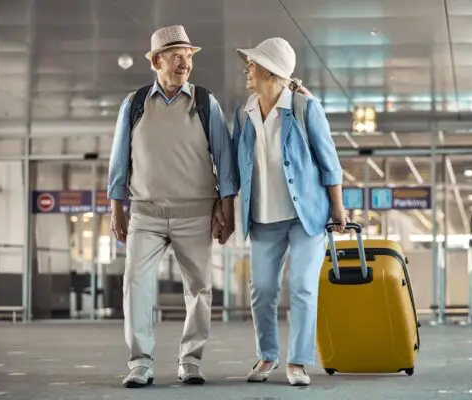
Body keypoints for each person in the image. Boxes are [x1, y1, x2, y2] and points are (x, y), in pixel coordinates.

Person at [212, 37, 347, 386]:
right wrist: (225, 208)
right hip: (263, 218)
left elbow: (329, 163)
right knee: (263, 290)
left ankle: (298, 362)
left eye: (253, 64)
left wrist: (338, 208)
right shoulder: (245, 112)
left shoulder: (304, 108)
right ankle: (267, 356)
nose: (247, 69)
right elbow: (236, 167)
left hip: (306, 219)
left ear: (271, 72)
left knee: (302, 286)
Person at [107, 25, 235, 388]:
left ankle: (191, 361)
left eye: (189, 56)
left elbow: (224, 162)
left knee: (200, 288)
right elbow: (119, 161)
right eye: (177, 55)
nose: (185, 62)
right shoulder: (134, 104)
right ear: (157, 61)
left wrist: (226, 209)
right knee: (136, 285)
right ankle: (140, 363)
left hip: (195, 213)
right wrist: (117, 208)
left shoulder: (205, 102)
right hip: (145, 214)